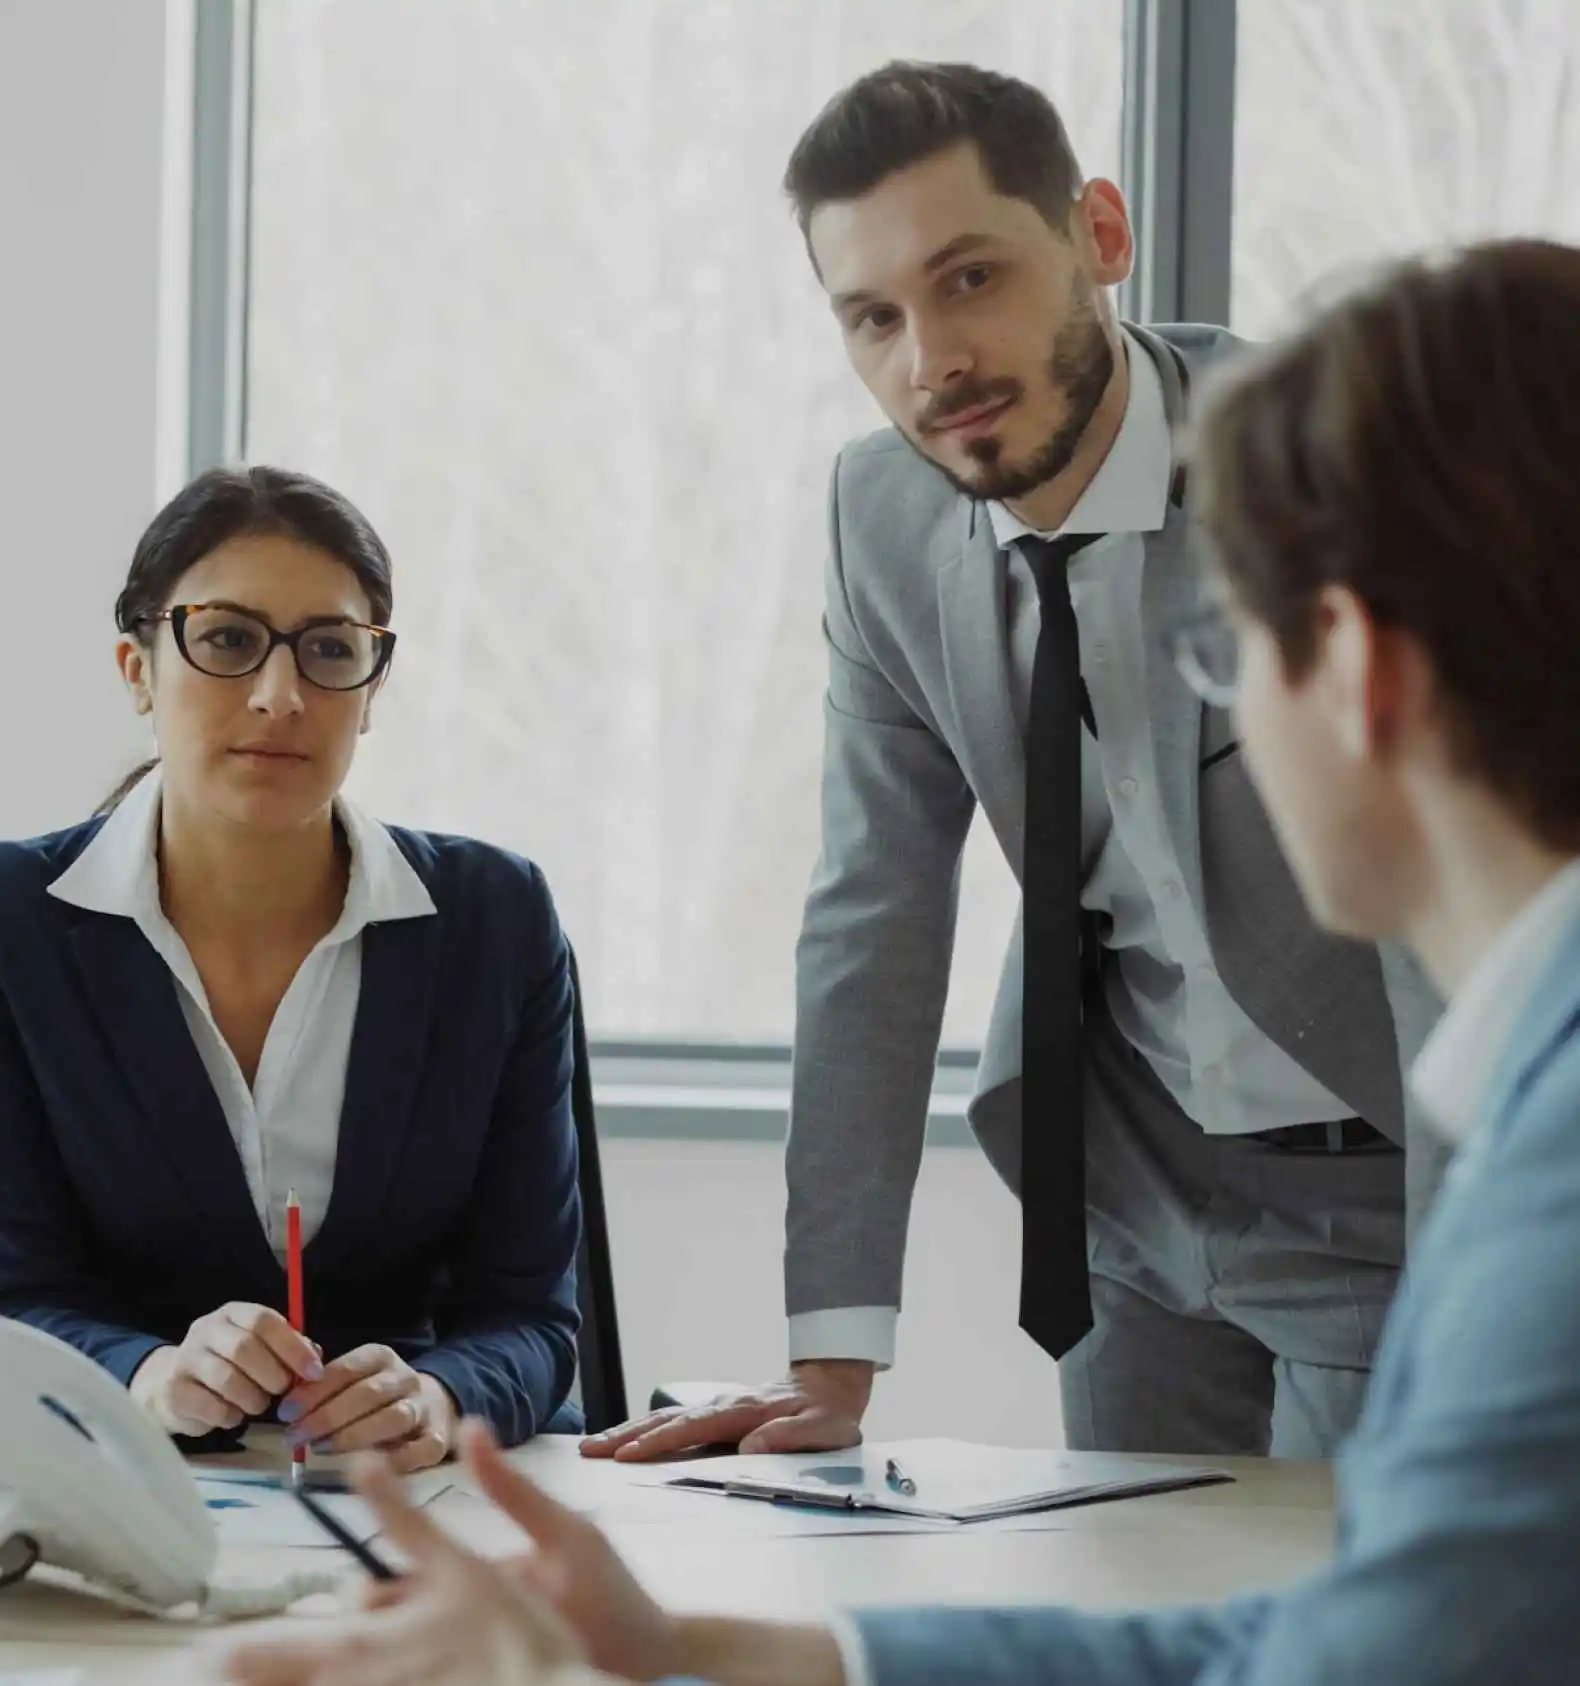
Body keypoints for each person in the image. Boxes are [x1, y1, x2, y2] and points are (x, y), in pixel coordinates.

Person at [205, 234, 1580, 1686]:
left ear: (1359, 674)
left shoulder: (1547, 1193)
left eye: (1226, 654)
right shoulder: (1534, 1100)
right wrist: (689, 1650)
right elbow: (1320, 1638)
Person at [586, 61, 1443, 1466]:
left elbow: (1457, 879)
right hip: (1130, 1192)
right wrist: (834, 1361)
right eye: (874, 317)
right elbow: (872, 914)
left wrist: (1507, 1265)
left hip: (1388, 1184)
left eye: (971, 277)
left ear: (1101, 234)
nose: (930, 359)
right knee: (1127, 1604)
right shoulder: (881, 518)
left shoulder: (1320, 461)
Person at [0, 465, 583, 1468]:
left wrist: (440, 1396)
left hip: (419, 1504)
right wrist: (146, 1375)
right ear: (137, 669)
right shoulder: (16, 926)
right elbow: (13, 1298)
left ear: (373, 689)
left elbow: (533, 1316)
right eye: (226, 641)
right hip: (121, 1494)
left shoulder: (495, 919)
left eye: (328, 650)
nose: (281, 696)